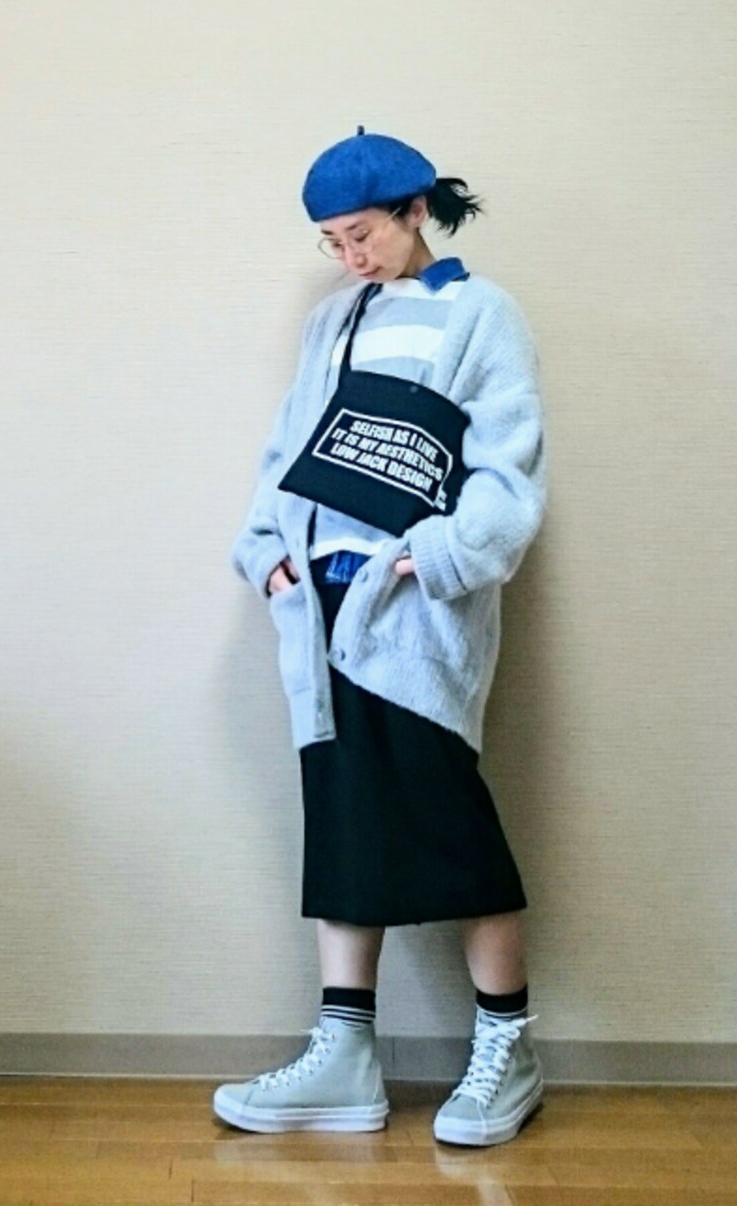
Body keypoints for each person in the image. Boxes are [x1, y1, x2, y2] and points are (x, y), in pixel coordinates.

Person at [215, 128, 547, 1146]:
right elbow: (289, 449)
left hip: (411, 614)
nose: (349, 255)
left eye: (360, 233)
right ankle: (345, 1053)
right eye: (331, 241)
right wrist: (265, 552)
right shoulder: (334, 321)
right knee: (342, 820)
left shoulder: (479, 313)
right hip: (319, 613)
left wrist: (436, 557)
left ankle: (509, 1046)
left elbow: (507, 465)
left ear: (414, 210)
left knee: (451, 826)